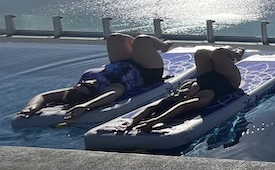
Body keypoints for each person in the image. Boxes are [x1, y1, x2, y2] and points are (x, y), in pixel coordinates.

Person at [19, 33, 173, 120]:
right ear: (91, 94)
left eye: (80, 85)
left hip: (123, 63)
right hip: (147, 71)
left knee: (114, 37)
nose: (84, 84)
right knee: (142, 40)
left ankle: (139, 48)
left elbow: (44, 96)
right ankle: (161, 45)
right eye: (86, 87)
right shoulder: (109, 88)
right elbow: (112, 95)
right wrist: (85, 106)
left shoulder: (79, 86)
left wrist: (31, 107)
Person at [122, 46, 244, 132]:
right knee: (219, 52)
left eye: (177, 93)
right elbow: (183, 106)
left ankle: (231, 55)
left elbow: (150, 108)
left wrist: (133, 120)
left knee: (200, 52)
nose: (179, 92)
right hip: (229, 80)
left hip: (208, 75)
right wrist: (153, 122)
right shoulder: (203, 97)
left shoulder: (188, 89)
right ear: (185, 99)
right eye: (180, 95)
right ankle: (237, 55)